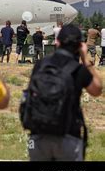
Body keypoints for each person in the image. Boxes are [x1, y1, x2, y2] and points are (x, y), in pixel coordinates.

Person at [25, 24, 102, 161]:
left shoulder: (41, 64)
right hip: (68, 135)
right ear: (79, 45)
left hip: (39, 135)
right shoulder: (78, 69)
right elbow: (97, 90)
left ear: (57, 42)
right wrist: (85, 60)